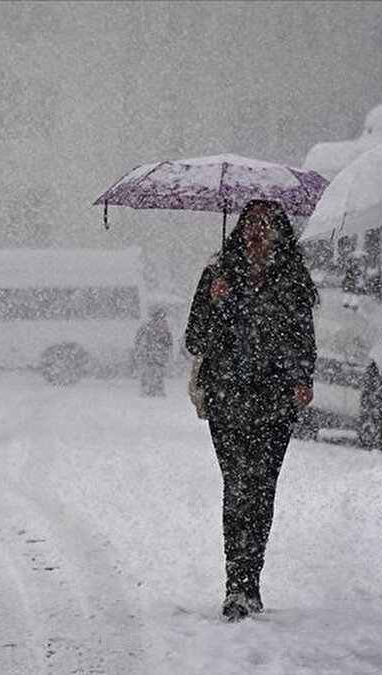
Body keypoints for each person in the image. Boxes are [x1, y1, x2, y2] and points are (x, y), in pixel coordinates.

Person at [184, 199, 319, 622]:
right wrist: (216, 301)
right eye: (252, 224)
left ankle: (251, 579)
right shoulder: (218, 276)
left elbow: (303, 338)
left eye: (268, 224)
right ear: (240, 229)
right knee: (238, 486)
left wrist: (302, 378)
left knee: (261, 490)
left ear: (282, 232)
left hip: (274, 401)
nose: (258, 232)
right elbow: (195, 339)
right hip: (228, 398)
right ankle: (236, 585)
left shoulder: (292, 280)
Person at [134, 306, 173, 397]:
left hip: (153, 352)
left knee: (152, 372)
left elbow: (139, 337)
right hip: (155, 352)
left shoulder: (150, 325)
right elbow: (169, 341)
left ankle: (151, 389)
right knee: (154, 372)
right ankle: (153, 389)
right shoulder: (160, 326)